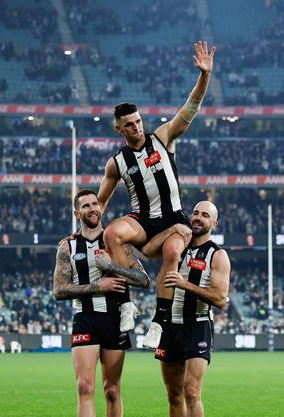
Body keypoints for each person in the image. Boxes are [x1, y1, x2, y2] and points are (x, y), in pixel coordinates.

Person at [98, 40, 216, 349]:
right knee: (111, 233)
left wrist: (204, 75)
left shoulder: (162, 138)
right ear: (118, 129)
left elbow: (191, 107)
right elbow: (100, 202)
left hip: (174, 219)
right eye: (129, 125)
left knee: (173, 254)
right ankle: (126, 303)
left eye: (137, 121)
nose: (136, 127)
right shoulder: (116, 163)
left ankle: (159, 322)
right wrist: (88, 231)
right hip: (143, 221)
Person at [53, 188, 150, 417]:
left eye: (95, 203)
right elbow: (59, 290)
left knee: (111, 390)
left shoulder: (118, 244)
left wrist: (113, 268)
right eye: (86, 205)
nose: (93, 208)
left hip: (114, 319)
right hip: (85, 318)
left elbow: (143, 279)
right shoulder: (67, 246)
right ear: (77, 213)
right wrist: (99, 285)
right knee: (84, 386)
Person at [155, 201, 230, 417]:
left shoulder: (217, 255)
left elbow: (220, 297)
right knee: (173, 394)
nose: (198, 218)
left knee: (191, 391)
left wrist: (185, 284)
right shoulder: (177, 244)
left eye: (205, 215)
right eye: (196, 213)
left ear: (214, 223)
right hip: (169, 326)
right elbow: (148, 248)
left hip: (197, 325)